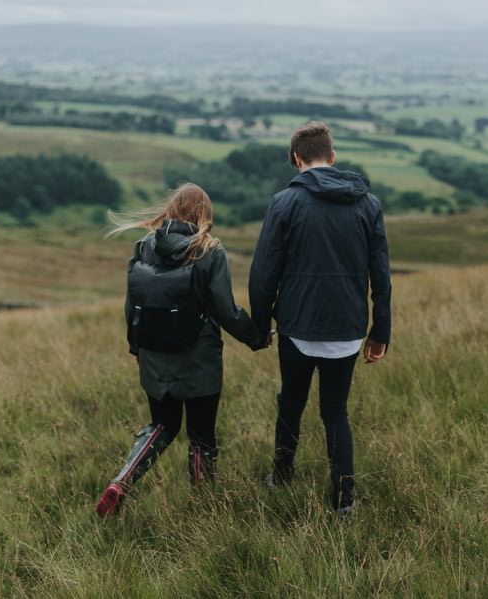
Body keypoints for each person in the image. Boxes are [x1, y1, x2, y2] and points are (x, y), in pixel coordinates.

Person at [96, 183, 265, 517]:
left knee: (162, 425)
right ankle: (203, 512)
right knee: (201, 436)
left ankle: (121, 481)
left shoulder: (143, 246)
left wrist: (138, 350)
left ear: (171, 209)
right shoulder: (209, 250)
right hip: (199, 361)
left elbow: (133, 308)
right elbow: (225, 310)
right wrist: (256, 338)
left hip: (154, 357)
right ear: (203, 213)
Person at [249, 121, 392, 514]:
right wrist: (380, 332)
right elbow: (380, 276)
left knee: (290, 403)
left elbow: (264, 273)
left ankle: (281, 475)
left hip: (296, 327)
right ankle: (344, 499)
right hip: (347, 331)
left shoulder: (284, 203)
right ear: (332, 156)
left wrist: (261, 327)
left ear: (297, 159)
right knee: (335, 413)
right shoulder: (369, 205)